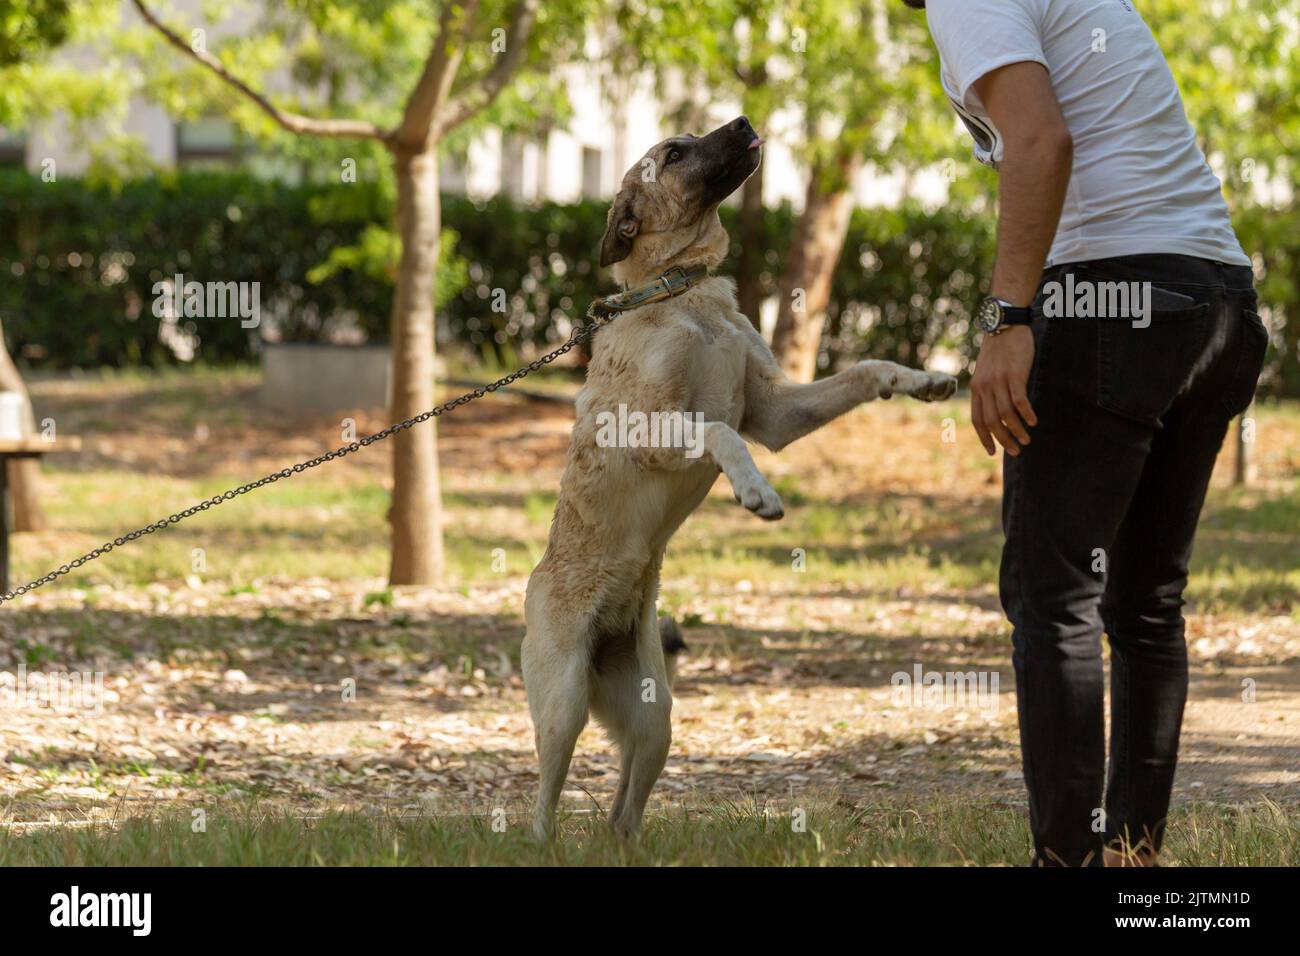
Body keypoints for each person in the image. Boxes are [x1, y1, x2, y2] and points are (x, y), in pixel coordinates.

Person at [903, 0, 1268, 865]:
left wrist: (1009, 320)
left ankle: (1067, 860)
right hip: (1216, 305)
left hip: (1115, 303)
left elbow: (1039, 141)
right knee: (1144, 602)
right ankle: (1134, 858)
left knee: (1055, 596)